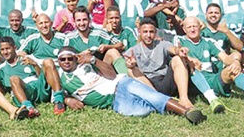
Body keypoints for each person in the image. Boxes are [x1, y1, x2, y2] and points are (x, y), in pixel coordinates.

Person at [55, 47, 206, 124]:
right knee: (140, 112)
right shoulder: (59, 78)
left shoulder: (86, 65)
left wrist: (94, 60)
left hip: (121, 83)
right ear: (58, 62)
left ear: (75, 58)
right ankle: (165, 105)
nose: (67, 61)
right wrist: (68, 100)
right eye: (63, 59)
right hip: (114, 102)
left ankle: (186, 112)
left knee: (151, 96)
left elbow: (112, 75)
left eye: (70, 58)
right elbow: (56, 93)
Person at [176, 17, 244, 112]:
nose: (192, 29)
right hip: (192, 82)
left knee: (233, 69)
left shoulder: (209, 42)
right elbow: (176, 55)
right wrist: (189, 59)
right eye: (189, 27)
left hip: (211, 78)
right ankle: (213, 100)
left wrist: (235, 62)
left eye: (195, 26)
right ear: (184, 29)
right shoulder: (179, 40)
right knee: (192, 68)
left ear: (200, 27)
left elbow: (224, 57)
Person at [125, 18, 194, 108]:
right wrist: (131, 64)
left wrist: (179, 51)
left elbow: (173, 49)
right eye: (145, 32)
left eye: (151, 32)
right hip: (149, 85)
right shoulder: (133, 50)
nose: (148, 35)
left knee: (177, 59)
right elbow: (128, 62)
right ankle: (157, 98)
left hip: (165, 80)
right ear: (139, 32)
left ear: (155, 32)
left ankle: (184, 99)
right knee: (131, 70)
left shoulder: (162, 44)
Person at [0, 37, 67, 116]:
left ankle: (58, 101)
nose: (5, 52)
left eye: (8, 48)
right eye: (2, 49)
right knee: (13, 78)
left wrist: (34, 64)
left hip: (38, 87)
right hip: (23, 91)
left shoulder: (26, 59)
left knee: (48, 61)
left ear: (14, 48)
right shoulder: (2, 68)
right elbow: (1, 88)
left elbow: (41, 76)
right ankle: (29, 108)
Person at [63, 6, 128, 76]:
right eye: (78, 20)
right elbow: (63, 60)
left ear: (89, 20)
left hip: (101, 71)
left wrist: (107, 47)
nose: (82, 23)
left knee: (112, 52)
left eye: (84, 19)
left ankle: (128, 80)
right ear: (74, 21)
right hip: (82, 74)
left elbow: (121, 45)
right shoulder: (69, 38)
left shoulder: (99, 33)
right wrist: (80, 55)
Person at [201, 3, 244, 71]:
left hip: (223, 64)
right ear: (205, 15)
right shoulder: (201, 31)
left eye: (216, 13)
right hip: (206, 64)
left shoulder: (225, 31)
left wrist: (227, 32)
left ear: (221, 15)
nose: (213, 15)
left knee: (237, 54)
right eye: (210, 13)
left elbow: (240, 47)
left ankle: (237, 76)